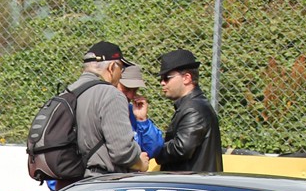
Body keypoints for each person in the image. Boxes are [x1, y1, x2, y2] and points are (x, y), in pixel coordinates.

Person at [71, 41, 149, 183]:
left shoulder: (69, 91)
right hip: (100, 183)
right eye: (121, 69)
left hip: (68, 185)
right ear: (112, 67)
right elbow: (122, 152)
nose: (121, 75)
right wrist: (140, 163)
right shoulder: (111, 94)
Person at [147, 49, 224, 173]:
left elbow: (181, 148)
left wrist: (154, 148)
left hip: (192, 185)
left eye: (167, 78)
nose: (162, 83)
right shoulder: (192, 105)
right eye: (161, 78)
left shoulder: (193, 109)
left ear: (187, 78)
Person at [118, 63, 164, 160]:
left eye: (135, 90)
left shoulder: (132, 112)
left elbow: (154, 150)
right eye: (126, 89)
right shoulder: (100, 109)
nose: (130, 96)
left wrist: (142, 120)